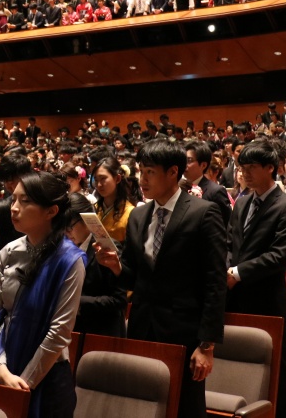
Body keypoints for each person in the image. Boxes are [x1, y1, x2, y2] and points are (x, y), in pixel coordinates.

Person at [95, 139, 226, 418]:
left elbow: (215, 282)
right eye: (140, 171)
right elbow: (134, 276)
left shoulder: (203, 212)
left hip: (184, 330)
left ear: (172, 172)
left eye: (150, 172)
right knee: (143, 403)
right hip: (143, 324)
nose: (142, 179)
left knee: (186, 407)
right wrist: (115, 267)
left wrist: (207, 344)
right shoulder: (139, 215)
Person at [0, 172, 86, 418]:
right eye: (13, 200)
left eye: (25, 201)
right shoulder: (8, 252)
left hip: (47, 376)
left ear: (51, 211)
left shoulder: (69, 260)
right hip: (4, 366)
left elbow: (59, 332)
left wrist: (24, 383)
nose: (14, 208)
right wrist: (1, 369)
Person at [227, 138, 286, 418]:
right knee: (243, 363)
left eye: (251, 167)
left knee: (277, 369)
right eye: (241, 167)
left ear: (271, 168)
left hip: (266, 299)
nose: (244, 173)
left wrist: (238, 272)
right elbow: (230, 246)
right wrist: (226, 269)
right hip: (235, 295)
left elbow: (278, 256)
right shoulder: (242, 202)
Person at [64, 193, 126, 338]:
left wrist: (76, 303)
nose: (66, 233)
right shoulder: (63, 248)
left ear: (86, 220)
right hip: (69, 331)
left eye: (69, 227)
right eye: (62, 227)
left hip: (101, 334)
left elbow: (118, 301)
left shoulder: (107, 248)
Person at [92, 157, 135, 244]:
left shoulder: (131, 212)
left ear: (117, 179)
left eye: (103, 178)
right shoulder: (94, 208)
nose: (99, 185)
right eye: (96, 180)